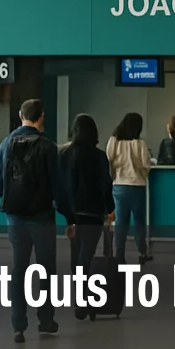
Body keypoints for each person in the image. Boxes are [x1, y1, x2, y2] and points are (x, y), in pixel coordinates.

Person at [0, 99, 77, 342]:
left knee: (18, 269)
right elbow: (58, 189)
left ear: (21, 115)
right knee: (45, 270)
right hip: (41, 217)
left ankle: (18, 325)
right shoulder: (49, 147)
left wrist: (11, 201)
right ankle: (46, 320)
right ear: (41, 118)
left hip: (15, 218)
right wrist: (70, 218)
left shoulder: (6, 144)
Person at [58, 114, 114, 321]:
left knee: (77, 257)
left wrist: (66, 213)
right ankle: (84, 300)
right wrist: (110, 208)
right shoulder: (100, 157)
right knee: (87, 256)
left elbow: (63, 186)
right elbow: (106, 186)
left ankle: (81, 300)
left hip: (74, 213)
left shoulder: (66, 154)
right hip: (93, 213)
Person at [107, 112, 152, 264]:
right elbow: (147, 165)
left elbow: (109, 161)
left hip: (119, 186)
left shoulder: (114, 141)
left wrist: (115, 175)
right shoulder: (140, 144)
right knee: (139, 222)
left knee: (120, 223)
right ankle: (142, 253)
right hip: (137, 187)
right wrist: (141, 173)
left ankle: (119, 256)